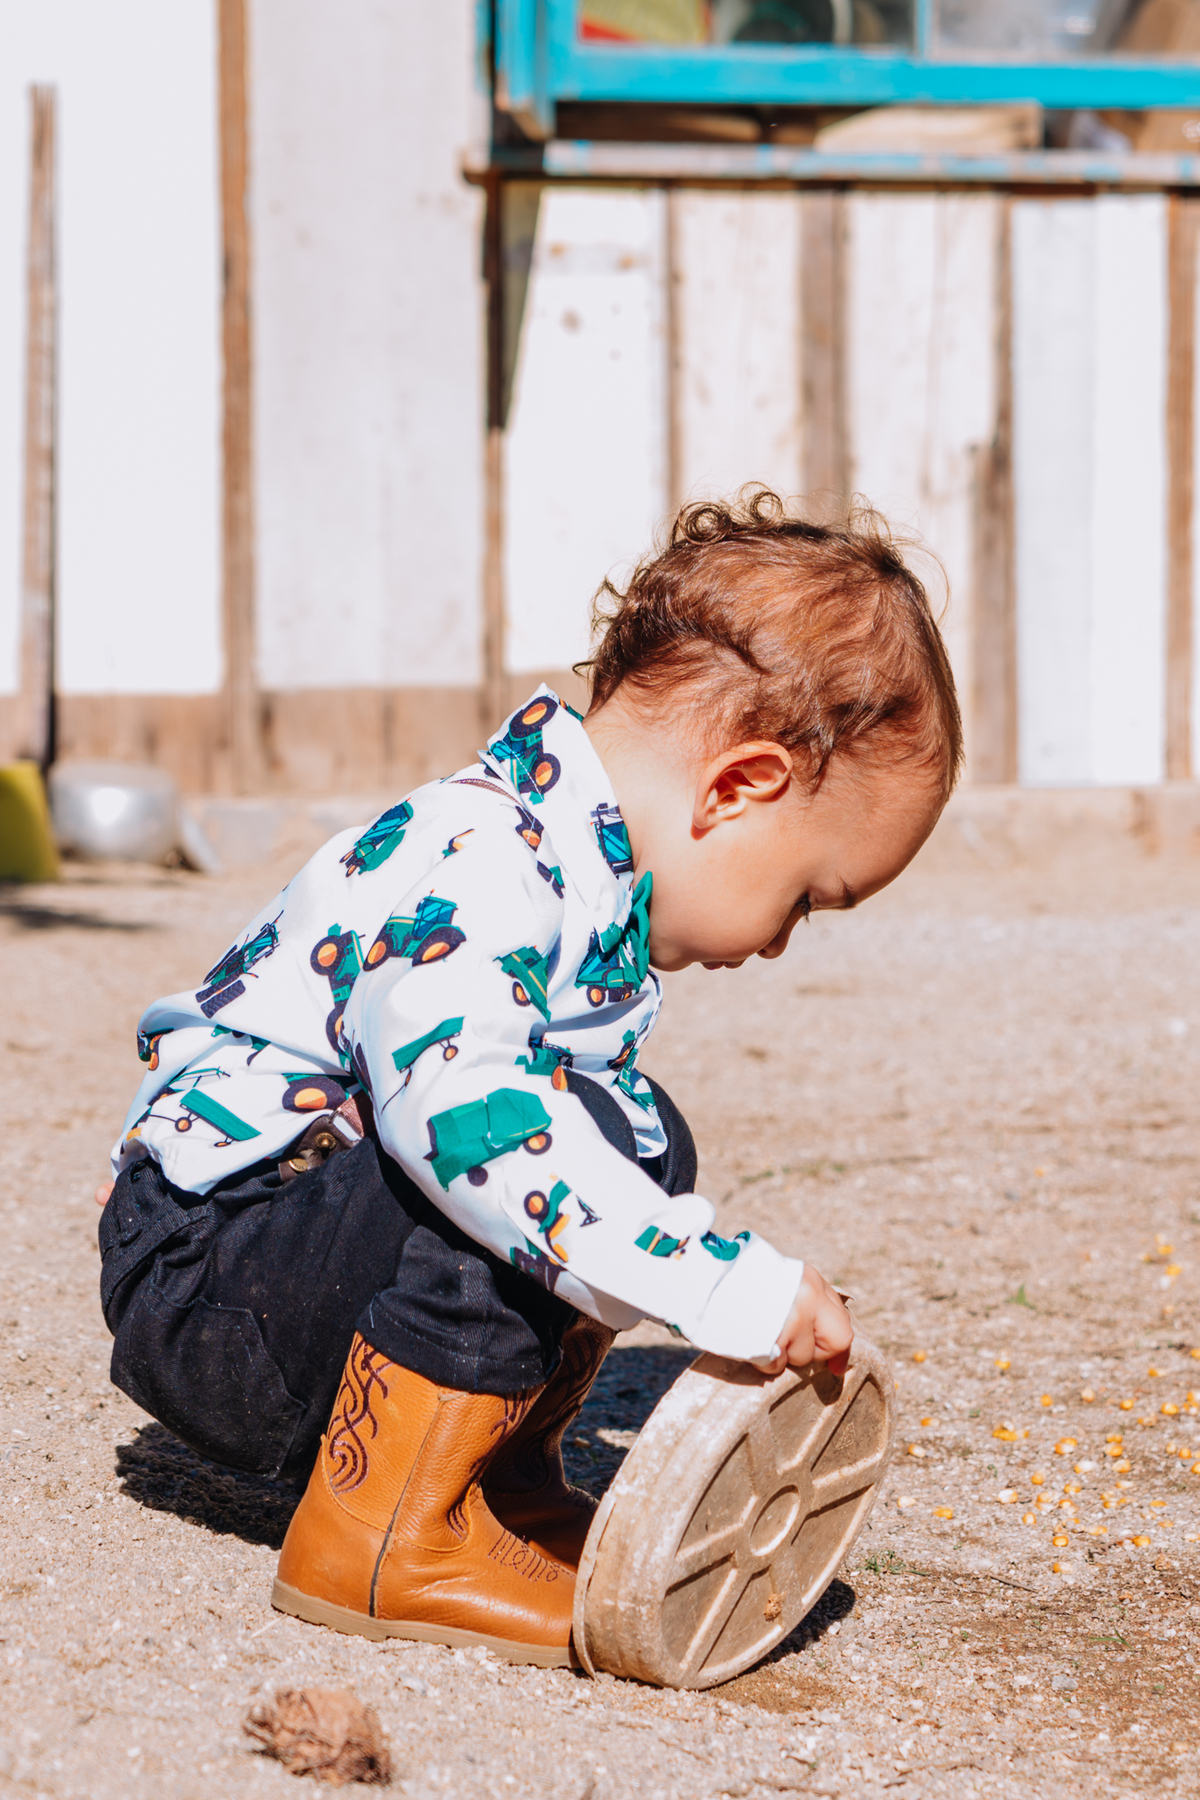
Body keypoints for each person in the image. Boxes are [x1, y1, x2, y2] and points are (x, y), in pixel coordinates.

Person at [97, 488, 961, 1667]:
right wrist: (719, 1285)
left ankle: (488, 1483)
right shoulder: (483, 859)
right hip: (211, 1278)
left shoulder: (577, 873)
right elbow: (476, 1134)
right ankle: (386, 1535)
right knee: (533, 1142)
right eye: (807, 896)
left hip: (288, 1261)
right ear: (741, 786)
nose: (777, 942)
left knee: (637, 1135)